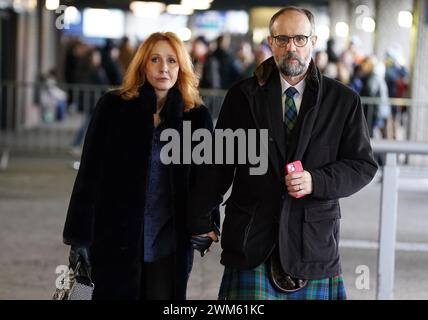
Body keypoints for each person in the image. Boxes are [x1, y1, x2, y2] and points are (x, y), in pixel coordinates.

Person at [187, 6, 378, 300]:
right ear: (271, 42)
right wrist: (201, 218)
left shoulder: (343, 101)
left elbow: (362, 165)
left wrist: (316, 181)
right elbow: (218, 164)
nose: (292, 47)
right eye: (283, 39)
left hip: (312, 244)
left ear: (313, 42)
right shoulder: (242, 96)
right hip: (252, 240)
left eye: (300, 39)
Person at [62, 32, 218, 300]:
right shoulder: (113, 107)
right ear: (142, 64)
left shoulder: (196, 117)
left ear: (181, 66)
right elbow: (89, 174)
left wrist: (208, 221)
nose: (163, 68)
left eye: (171, 60)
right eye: (155, 59)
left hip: (169, 241)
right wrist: (78, 237)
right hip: (114, 238)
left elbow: (207, 179)